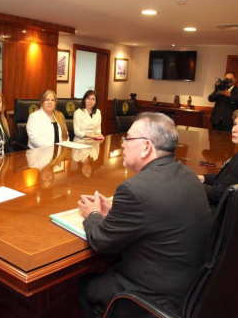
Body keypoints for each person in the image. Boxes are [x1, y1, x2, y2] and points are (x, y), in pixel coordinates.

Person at [77, 112, 212, 317]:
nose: (122, 144)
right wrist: (113, 213)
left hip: (156, 297)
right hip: (192, 288)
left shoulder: (134, 189)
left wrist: (93, 214)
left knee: (86, 285)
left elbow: (101, 242)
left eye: (128, 139)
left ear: (147, 147)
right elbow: (157, 215)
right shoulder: (188, 175)